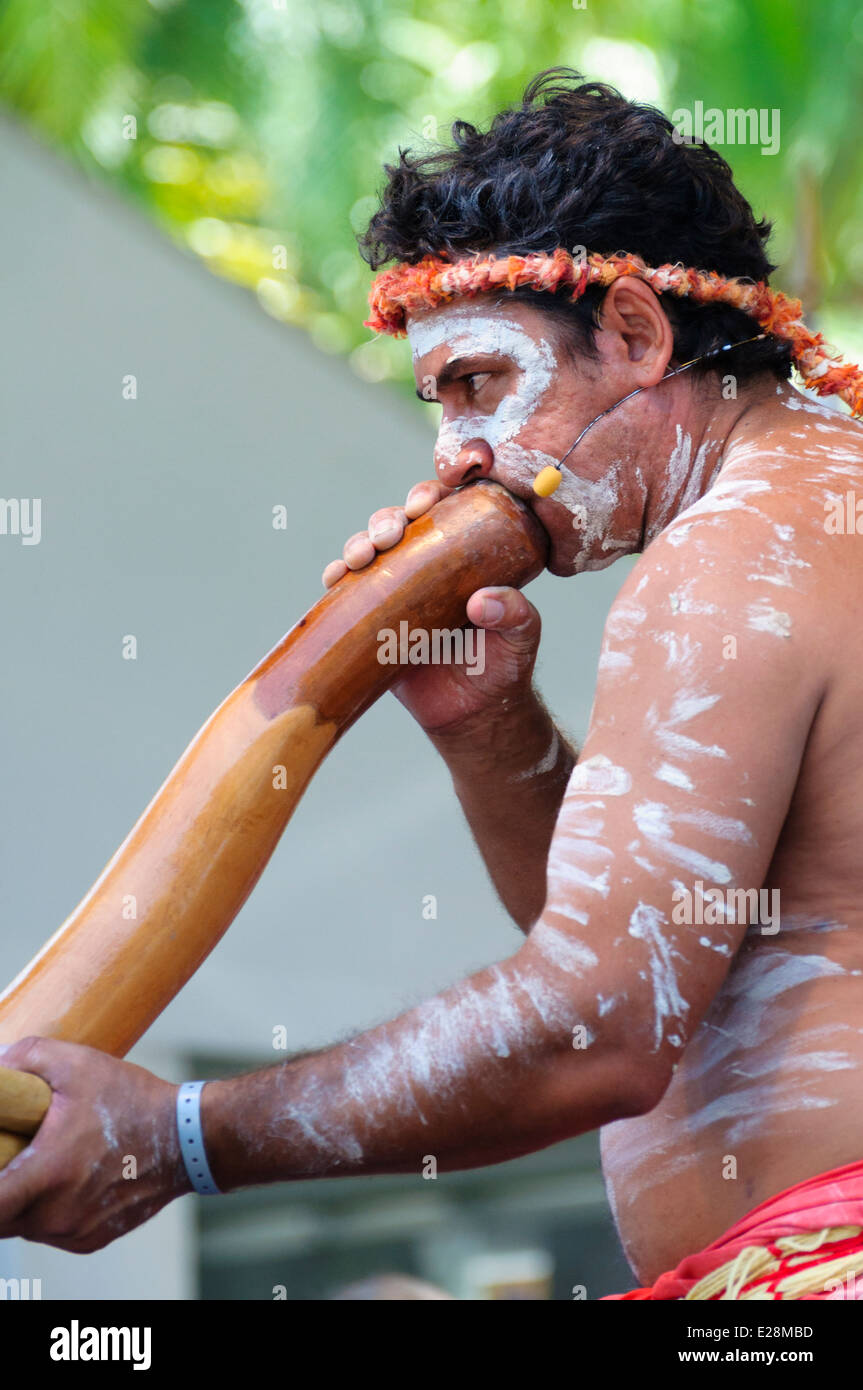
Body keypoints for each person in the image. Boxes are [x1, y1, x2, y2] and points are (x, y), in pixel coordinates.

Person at [3, 69, 863, 1301]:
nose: (455, 456)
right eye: (435, 405)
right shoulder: (807, 506)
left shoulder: (730, 552)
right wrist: (487, 730)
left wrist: (177, 1136)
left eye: (476, 385)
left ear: (633, 334)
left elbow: (598, 1031)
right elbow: (675, 964)